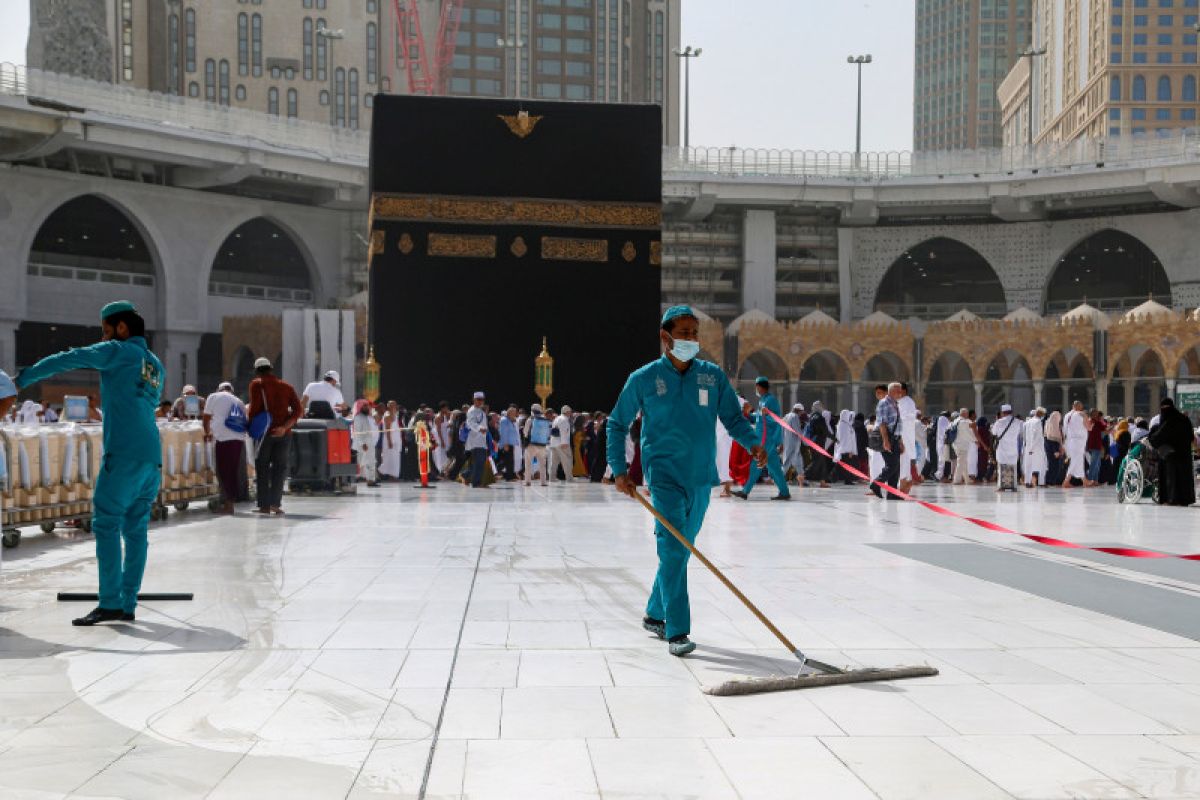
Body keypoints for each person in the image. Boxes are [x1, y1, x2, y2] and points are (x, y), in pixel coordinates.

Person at [607, 306, 764, 657]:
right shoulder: (644, 378)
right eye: (684, 333)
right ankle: (677, 631)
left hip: (700, 476)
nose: (691, 339)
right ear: (666, 337)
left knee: (679, 551)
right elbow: (617, 423)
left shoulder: (711, 376)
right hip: (663, 477)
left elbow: (733, 420)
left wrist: (753, 443)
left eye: (695, 333)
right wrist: (619, 469)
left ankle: (654, 612)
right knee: (674, 548)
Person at [16, 300, 163, 626]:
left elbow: (70, 358)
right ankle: (128, 602)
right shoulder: (155, 365)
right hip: (152, 457)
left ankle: (110, 602)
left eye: (106, 329)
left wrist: (24, 377)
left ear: (121, 328)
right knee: (135, 529)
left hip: (123, 453)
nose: (104, 337)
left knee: (106, 521)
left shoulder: (118, 351)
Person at [247, 357, 303, 514]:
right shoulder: (287, 387)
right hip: (284, 434)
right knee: (280, 468)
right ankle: (275, 505)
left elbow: (253, 411)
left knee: (262, 468)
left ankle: (264, 506)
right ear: (271, 369)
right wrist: (284, 427)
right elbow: (298, 411)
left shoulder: (257, 384)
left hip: (264, 434)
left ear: (257, 371)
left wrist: (250, 427)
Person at [733, 377, 790, 501]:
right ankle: (784, 492)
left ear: (760, 387)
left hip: (766, 439)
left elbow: (776, 420)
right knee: (774, 468)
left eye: (756, 386)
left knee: (757, 464)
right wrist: (750, 413)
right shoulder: (762, 401)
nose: (756, 389)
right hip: (762, 438)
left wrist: (777, 440)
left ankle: (745, 491)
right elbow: (759, 418)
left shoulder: (771, 400)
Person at [201, 381, 247, 514]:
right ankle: (230, 502)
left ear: (219, 389)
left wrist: (207, 433)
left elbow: (206, 418)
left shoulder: (213, 397)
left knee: (223, 471)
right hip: (238, 439)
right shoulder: (238, 400)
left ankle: (228, 505)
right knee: (232, 471)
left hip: (223, 438)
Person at [1148, 398, 1196, 506]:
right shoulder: (1184, 419)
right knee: (1183, 478)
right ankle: (1184, 499)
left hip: (1170, 456)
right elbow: (1191, 437)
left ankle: (1171, 499)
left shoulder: (1168, 421)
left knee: (1171, 478)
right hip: (1184, 455)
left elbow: (1157, 438)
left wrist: (1151, 436)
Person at [871, 382, 902, 499]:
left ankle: (892, 493)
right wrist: (885, 440)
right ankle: (876, 483)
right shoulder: (884, 403)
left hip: (895, 438)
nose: (900, 393)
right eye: (897, 391)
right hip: (887, 438)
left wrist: (900, 441)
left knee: (896, 466)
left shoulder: (895, 404)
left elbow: (897, 424)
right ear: (890, 391)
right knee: (892, 465)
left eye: (900, 391)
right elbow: (882, 423)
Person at [897, 382, 920, 492]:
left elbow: (910, 417)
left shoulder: (908, 402)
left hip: (905, 435)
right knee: (901, 460)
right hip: (900, 435)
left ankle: (904, 484)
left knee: (904, 459)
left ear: (904, 390)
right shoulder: (899, 402)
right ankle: (904, 483)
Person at [992, 404, 1021, 491]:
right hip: (1013, 448)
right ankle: (1014, 487)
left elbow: (994, 433)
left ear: (1002, 412)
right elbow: (1019, 433)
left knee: (1001, 467)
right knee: (1013, 467)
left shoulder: (999, 422)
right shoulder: (1017, 422)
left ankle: (1001, 487)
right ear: (1011, 412)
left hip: (1002, 448)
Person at [1061, 400, 1091, 488]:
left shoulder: (1067, 415)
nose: (1082, 408)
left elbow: (1064, 430)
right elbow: (1088, 427)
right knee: (1075, 461)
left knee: (1078, 461)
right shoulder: (1080, 414)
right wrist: (1086, 417)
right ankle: (1066, 481)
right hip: (1078, 441)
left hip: (1069, 441)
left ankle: (1084, 481)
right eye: (1081, 406)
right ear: (1078, 406)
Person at [352, 399, 380, 487]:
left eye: (367, 405)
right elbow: (358, 432)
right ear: (360, 407)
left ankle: (371, 479)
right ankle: (370, 480)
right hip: (364, 444)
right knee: (367, 462)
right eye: (364, 406)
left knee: (370, 462)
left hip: (369, 443)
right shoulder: (358, 417)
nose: (367, 407)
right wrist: (362, 444)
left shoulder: (366, 417)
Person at [522, 403, 551, 486]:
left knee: (528, 463)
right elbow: (547, 433)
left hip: (532, 445)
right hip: (542, 445)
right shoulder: (545, 420)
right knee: (542, 465)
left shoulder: (530, 419)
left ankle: (528, 481)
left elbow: (525, 432)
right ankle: (543, 482)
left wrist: (526, 437)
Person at [465, 391, 489, 488]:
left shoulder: (481, 411)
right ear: (474, 400)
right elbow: (470, 423)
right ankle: (476, 483)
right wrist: (480, 428)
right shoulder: (471, 411)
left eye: (482, 400)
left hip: (481, 440)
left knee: (478, 461)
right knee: (479, 461)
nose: (480, 402)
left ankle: (465, 476)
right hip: (475, 440)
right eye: (478, 400)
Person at [546, 405, 574, 482]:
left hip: (553, 443)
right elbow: (563, 431)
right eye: (570, 412)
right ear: (567, 412)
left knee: (554, 462)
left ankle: (551, 478)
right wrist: (564, 443)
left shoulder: (557, 418)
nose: (571, 413)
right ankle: (569, 478)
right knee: (567, 461)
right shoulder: (564, 419)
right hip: (561, 444)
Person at [781, 402, 806, 487]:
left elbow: (782, 428)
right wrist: (805, 441)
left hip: (787, 442)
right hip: (794, 443)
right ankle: (778, 478)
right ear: (799, 411)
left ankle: (801, 480)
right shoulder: (794, 417)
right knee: (787, 462)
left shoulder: (786, 416)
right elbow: (797, 431)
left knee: (798, 461)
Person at [1022, 408, 1047, 488]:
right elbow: (1036, 436)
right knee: (1042, 464)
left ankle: (1027, 482)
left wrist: (1028, 447)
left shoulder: (1027, 422)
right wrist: (1032, 448)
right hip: (1036, 447)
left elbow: (1024, 435)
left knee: (1028, 465)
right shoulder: (1038, 422)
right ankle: (1041, 482)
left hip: (1028, 446)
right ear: (1041, 414)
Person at [951, 408, 975, 485]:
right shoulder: (964, 422)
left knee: (963, 462)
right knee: (961, 462)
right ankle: (956, 480)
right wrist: (975, 440)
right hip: (962, 445)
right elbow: (967, 434)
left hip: (956, 444)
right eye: (967, 414)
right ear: (965, 414)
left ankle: (967, 479)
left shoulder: (955, 421)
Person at [380, 400, 402, 481]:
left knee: (396, 458)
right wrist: (389, 441)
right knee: (390, 457)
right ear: (388, 407)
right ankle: (391, 475)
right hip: (390, 440)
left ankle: (394, 475)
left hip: (396, 439)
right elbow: (387, 430)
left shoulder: (395, 415)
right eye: (392, 405)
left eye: (395, 405)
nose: (394, 407)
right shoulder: (387, 415)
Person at [497, 405, 521, 481]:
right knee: (508, 461)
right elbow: (503, 433)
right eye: (513, 413)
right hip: (507, 443)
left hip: (511, 443)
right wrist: (505, 444)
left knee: (509, 460)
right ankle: (509, 477)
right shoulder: (504, 420)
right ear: (509, 413)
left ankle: (510, 476)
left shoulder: (511, 420)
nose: (515, 414)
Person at [1085, 408, 1108, 485]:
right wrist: (1101, 420)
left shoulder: (1089, 421)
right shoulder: (1097, 422)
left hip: (1092, 445)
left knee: (1097, 464)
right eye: (1096, 413)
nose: (1097, 415)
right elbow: (1105, 427)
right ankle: (1090, 480)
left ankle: (1095, 480)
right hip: (1095, 445)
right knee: (1094, 463)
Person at [835, 409, 858, 484]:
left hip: (844, 449)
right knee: (847, 465)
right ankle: (848, 480)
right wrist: (850, 450)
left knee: (843, 465)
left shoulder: (843, 424)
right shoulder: (844, 426)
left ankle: (832, 477)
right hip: (846, 449)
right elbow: (847, 439)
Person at [1044, 410, 1065, 485]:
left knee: (1052, 465)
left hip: (1050, 447)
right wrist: (1055, 451)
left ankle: (1051, 481)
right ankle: (1050, 481)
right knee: (1054, 465)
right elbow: (1053, 440)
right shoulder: (1053, 427)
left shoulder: (1049, 424)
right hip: (1053, 449)